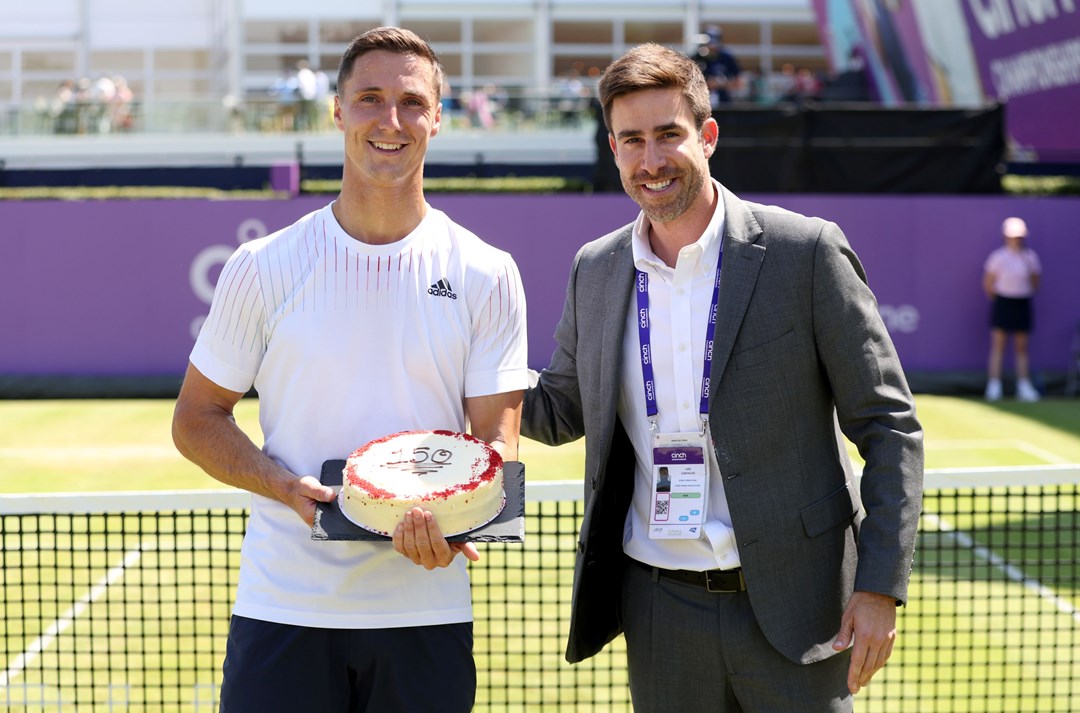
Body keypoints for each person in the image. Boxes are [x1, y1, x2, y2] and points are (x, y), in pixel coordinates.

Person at [521, 43, 923, 712]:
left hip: (800, 607)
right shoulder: (594, 268)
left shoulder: (805, 250)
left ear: (707, 135)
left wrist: (879, 586)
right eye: (632, 140)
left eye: (668, 135)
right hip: (658, 608)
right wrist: (463, 368)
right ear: (614, 149)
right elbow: (559, 409)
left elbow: (889, 425)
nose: (651, 160)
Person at [172, 27, 529, 712]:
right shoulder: (263, 265)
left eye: (411, 101)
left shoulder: (488, 272)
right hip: (283, 611)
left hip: (425, 617)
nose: (390, 120)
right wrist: (282, 485)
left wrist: (457, 523)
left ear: (437, 117)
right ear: (337, 111)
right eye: (369, 98)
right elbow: (195, 418)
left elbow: (499, 445)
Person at [983, 216, 1042, 402]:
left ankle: (1024, 386)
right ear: (1005, 236)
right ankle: (994, 387)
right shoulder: (998, 257)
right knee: (998, 346)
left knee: (1022, 347)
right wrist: (1001, 299)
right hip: (1003, 302)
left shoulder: (1030, 257)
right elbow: (989, 283)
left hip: (1022, 302)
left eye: (1019, 236)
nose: (1016, 240)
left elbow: (1035, 282)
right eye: (1012, 236)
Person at [696, 26, 742, 107]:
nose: (711, 47)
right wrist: (706, 84)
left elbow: (739, 82)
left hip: (724, 103)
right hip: (702, 103)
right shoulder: (698, 57)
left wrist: (720, 84)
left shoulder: (726, 57)